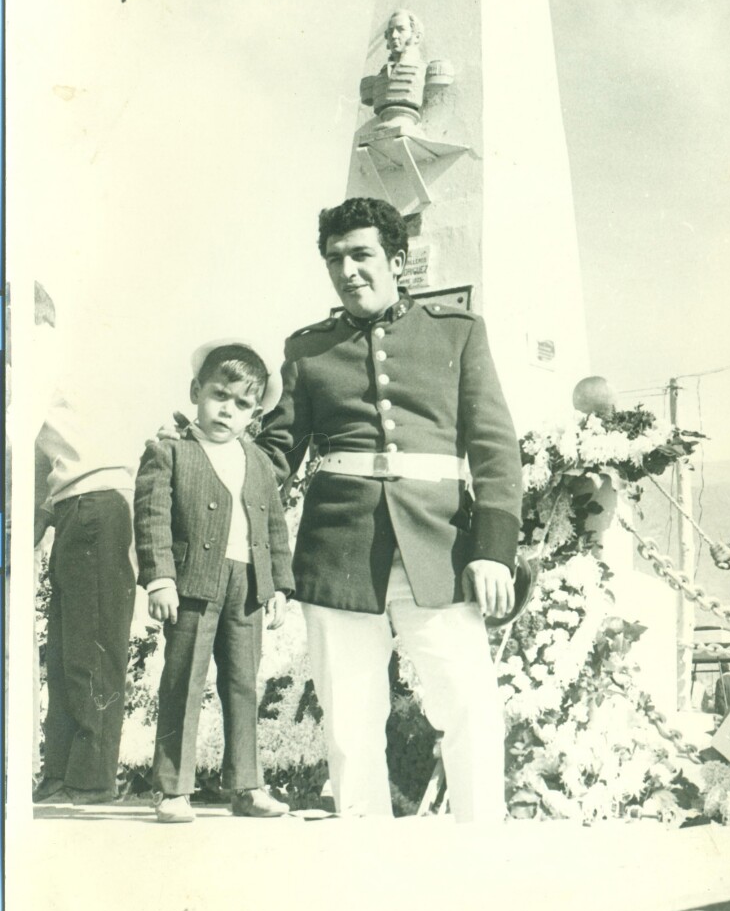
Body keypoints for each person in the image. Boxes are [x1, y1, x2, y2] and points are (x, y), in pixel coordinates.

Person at [255, 196, 522, 823]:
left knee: (471, 706)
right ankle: (364, 857)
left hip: (438, 546)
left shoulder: (457, 332)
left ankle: (483, 849)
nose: (347, 271)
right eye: (334, 259)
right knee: (350, 721)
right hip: (339, 552)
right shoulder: (308, 350)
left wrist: (493, 550)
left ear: (397, 261)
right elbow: (275, 455)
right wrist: (208, 459)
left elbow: (495, 449)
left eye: (361, 255)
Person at [135, 343, 294, 823]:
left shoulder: (258, 460)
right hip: (192, 584)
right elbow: (152, 517)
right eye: (219, 395)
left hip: (247, 585)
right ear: (195, 392)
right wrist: (160, 579)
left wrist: (278, 586)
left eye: (243, 404)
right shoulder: (169, 450)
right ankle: (173, 789)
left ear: (255, 413)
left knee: (244, 684)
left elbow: (274, 526)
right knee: (183, 681)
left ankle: (246, 786)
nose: (228, 409)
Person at [33, 340, 138, 805]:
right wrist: (43, 514)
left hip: (96, 503)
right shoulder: (46, 372)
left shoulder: (50, 363)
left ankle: (92, 779)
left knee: (92, 651)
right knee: (63, 652)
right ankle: (60, 773)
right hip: (72, 508)